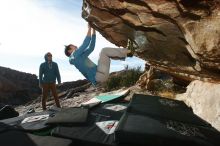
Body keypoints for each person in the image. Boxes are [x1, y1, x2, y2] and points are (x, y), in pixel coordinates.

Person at [64, 24, 137, 86]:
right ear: (70, 51)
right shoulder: (73, 57)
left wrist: (93, 31)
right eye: (73, 46)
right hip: (98, 78)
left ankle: (127, 53)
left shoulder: (80, 56)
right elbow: (85, 44)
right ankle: (127, 52)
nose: (75, 46)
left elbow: (91, 47)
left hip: (101, 73)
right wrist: (89, 28)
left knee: (105, 52)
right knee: (104, 51)